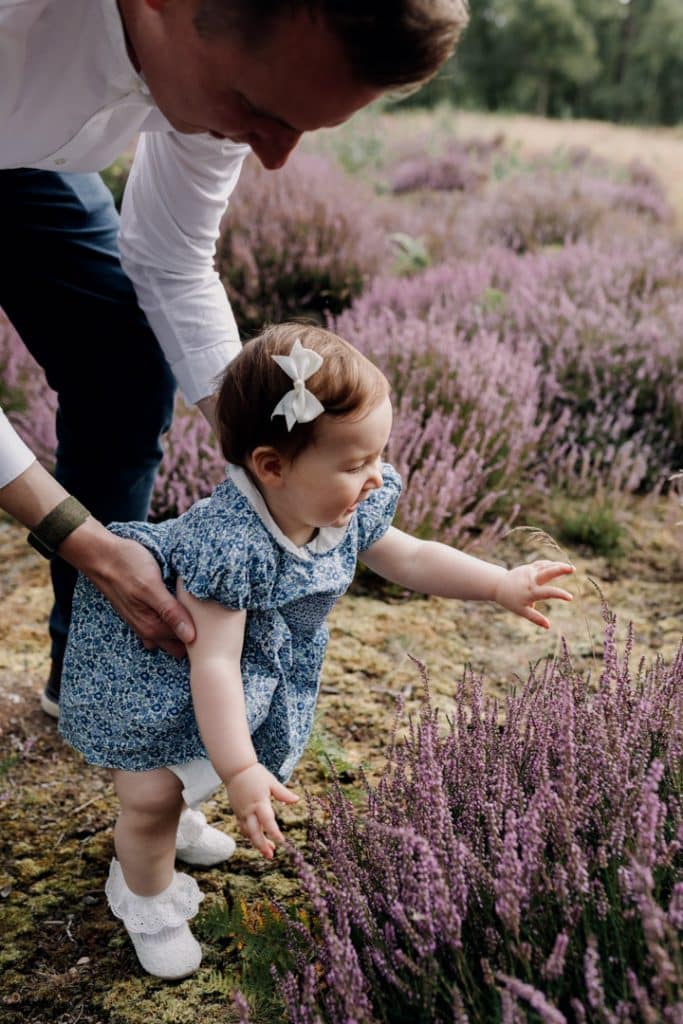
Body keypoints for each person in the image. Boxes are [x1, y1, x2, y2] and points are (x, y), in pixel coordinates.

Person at [58, 323, 575, 980]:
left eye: (377, 455)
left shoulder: (341, 503)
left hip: (249, 674)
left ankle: (184, 817)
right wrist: (243, 772)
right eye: (356, 462)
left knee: (208, 766)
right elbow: (211, 663)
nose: (376, 476)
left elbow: (406, 554)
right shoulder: (230, 546)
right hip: (171, 675)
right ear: (272, 466)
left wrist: (497, 583)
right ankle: (146, 896)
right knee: (154, 793)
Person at [0, 0, 469, 717]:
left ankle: (96, 684)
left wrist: (285, 441)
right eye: (254, 107)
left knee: (127, 366)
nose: (273, 155)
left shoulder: (235, 64)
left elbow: (171, 259)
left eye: (300, 127)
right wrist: (88, 545)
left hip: (27, 158)